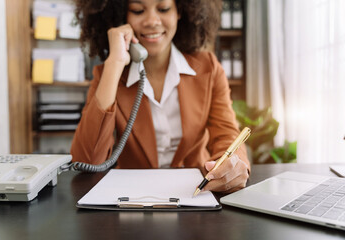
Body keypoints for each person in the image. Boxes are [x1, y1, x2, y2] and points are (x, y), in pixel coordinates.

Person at [71, 0, 250, 193]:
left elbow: (227, 135)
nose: (152, 21)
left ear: (180, 11)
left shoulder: (208, 68)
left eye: (163, 8)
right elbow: (86, 161)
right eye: (138, 11)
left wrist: (233, 165)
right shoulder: (108, 76)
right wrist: (114, 64)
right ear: (123, 16)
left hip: (196, 194)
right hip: (135, 198)